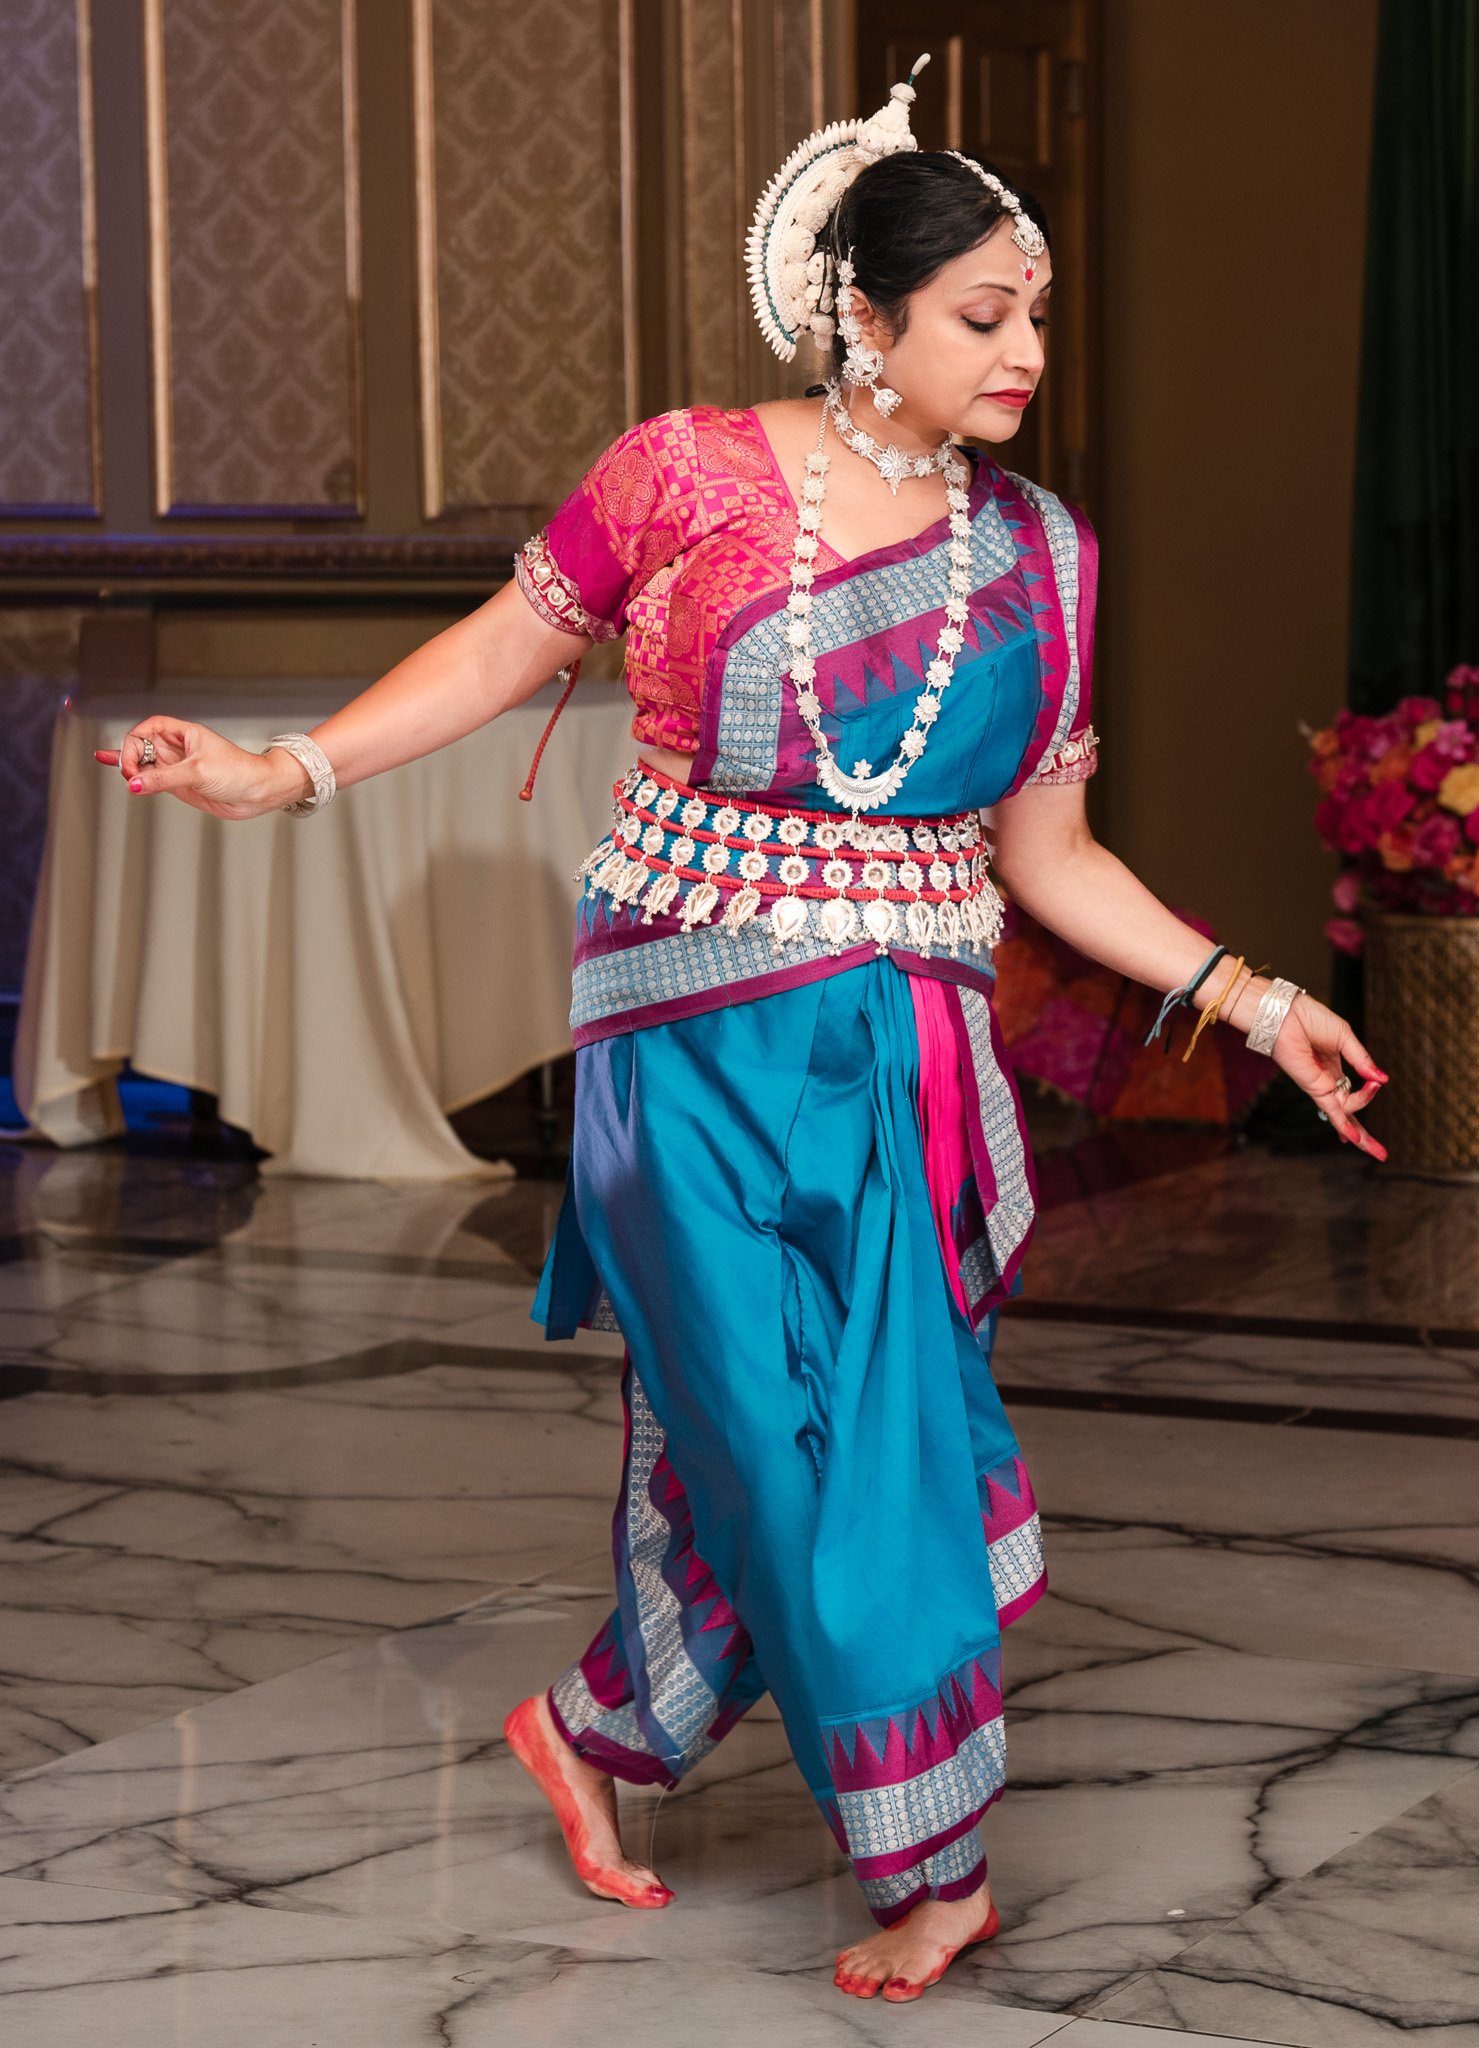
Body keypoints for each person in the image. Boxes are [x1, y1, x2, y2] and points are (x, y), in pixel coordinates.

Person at [96, 54, 1388, 2005]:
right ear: (858, 314)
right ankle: (888, 1833)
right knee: (774, 1440)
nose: (1024, 346)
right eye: (980, 313)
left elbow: (1048, 848)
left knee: (841, 1433)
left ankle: (622, 1736)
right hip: (678, 1033)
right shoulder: (681, 473)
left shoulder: (1038, 557)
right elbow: (500, 649)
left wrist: (1254, 994)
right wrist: (288, 777)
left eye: (1032, 312)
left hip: (894, 1066)